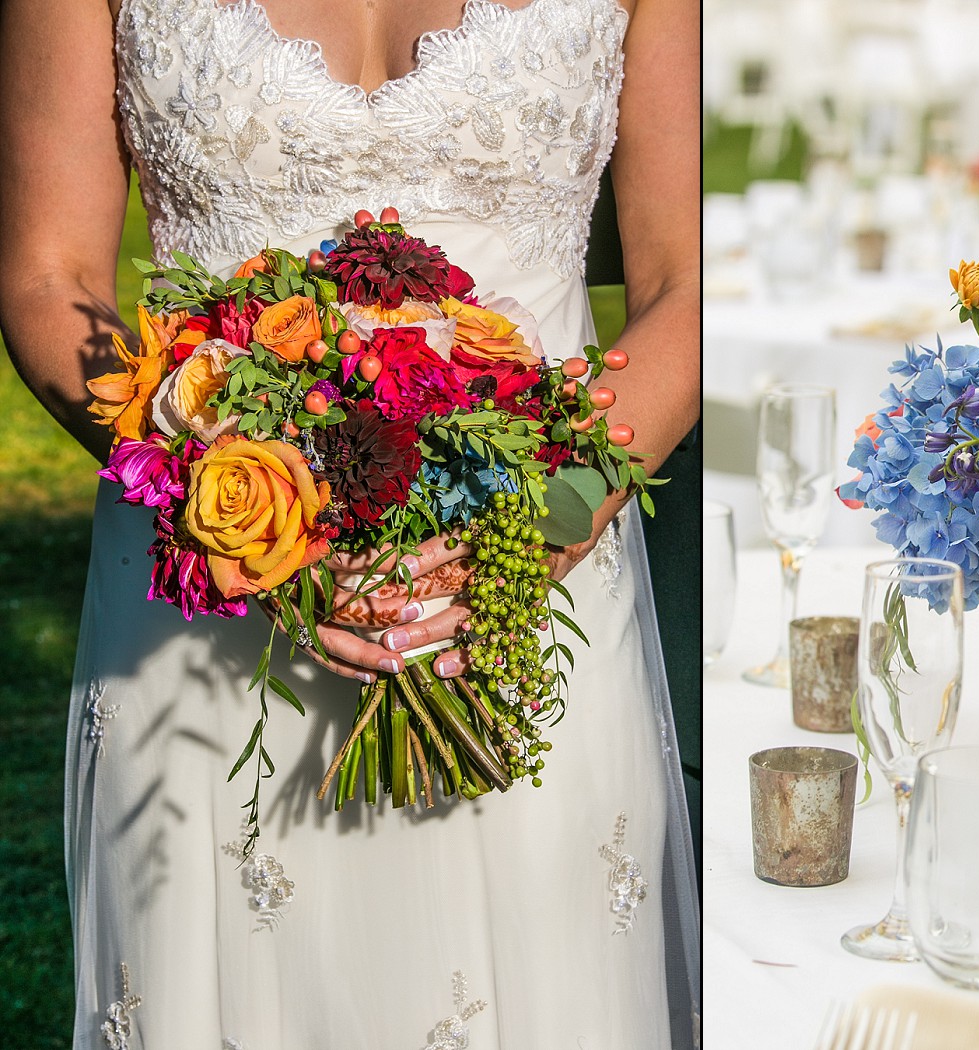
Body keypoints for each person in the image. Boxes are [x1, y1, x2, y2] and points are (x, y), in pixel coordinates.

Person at [0, 0, 699, 1046]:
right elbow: (50, 275)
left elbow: (690, 279)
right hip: (212, 594)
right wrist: (235, 496)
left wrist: (543, 514)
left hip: (524, 595)